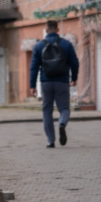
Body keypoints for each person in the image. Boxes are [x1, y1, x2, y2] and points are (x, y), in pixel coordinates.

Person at [30, 19, 80, 148]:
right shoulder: (67, 44)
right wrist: (74, 78)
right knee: (64, 108)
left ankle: (50, 141)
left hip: (46, 83)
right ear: (57, 30)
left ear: (46, 30)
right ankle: (62, 123)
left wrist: (32, 86)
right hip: (62, 82)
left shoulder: (38, 46)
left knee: (47, 111)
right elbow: (75, 63)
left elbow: (34, 67)